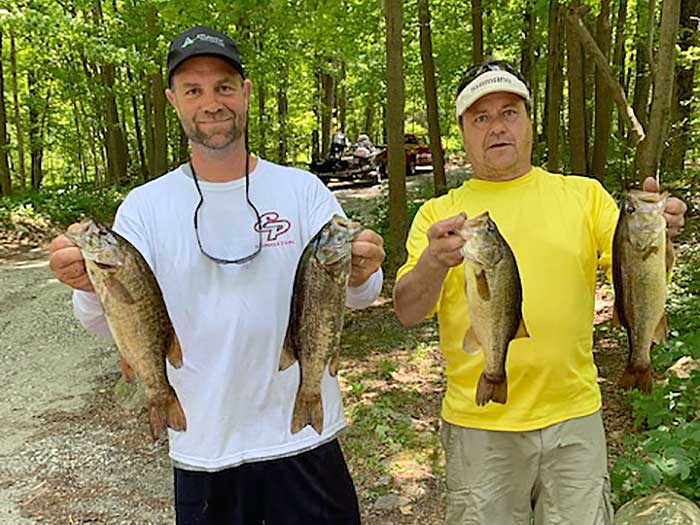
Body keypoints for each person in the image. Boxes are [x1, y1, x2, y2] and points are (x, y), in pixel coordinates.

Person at [48, 26, 385, 525]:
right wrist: (86, 286)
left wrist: (363, 270)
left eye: (224, 86)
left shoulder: (303, 191)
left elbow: (359, 296)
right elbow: (108, 322)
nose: (211, 102)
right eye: (193, 90)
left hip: (302, 438)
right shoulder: (145, 207)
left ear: (245, 93)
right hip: (206, 444)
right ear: (173, 100)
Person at [393, 60, 687, 525]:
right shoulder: (438, 214)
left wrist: (661, 235)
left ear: (529, 121)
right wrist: (432, 260)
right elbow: (407, 311)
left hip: (574, 420)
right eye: (481, 117)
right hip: (479, 424)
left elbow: (639, 272)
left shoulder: (583, 196)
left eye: (509, 112)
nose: (497, 127)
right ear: (463, 132)